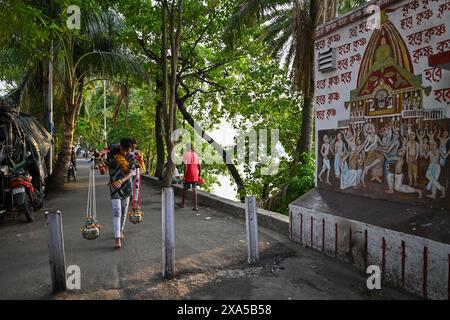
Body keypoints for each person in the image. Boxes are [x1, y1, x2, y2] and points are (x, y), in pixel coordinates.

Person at [103, 138, 136, 249]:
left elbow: (131, 173)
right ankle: (117, 239)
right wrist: (100, 163)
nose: (125, 152)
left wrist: (121, 181)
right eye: (124, 149)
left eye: (128, 150)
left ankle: (120, 230)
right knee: (117, 213)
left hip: (126, 188)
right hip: (114, 188)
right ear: (120, 146)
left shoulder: (131, 156)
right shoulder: (112, 155)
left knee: (124, 212)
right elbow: (104, 170)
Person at [178, 143, 201, 211]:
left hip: (189, 174)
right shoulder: (196, 154)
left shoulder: (186, 154)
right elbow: (199, 165)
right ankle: (196, 206)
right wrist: (199, 174)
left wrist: (184, 176)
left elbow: (186, 166)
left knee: (184, 189)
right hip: (195, 174)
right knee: (194, 189)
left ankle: (182, 204)